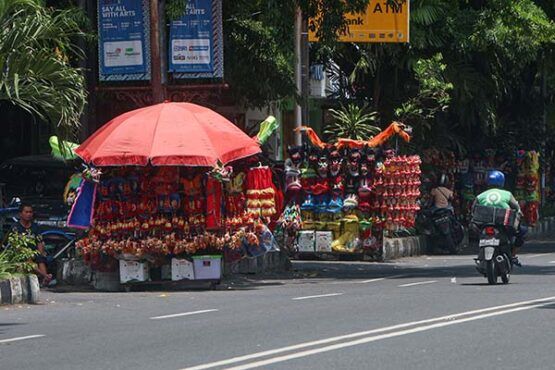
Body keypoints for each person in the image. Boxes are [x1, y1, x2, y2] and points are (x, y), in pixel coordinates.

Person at [474, 170, 526, 266]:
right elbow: (516, 208)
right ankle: (513, 255)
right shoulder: (507, 194)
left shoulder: (480, 196)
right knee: (522, 231)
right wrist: (519, 213)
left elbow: (473, 210)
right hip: (503, 223)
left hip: (484, 223)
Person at [9, 203, 53, 286]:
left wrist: (40, 253)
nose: (29, 214)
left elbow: (39, 241)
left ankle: (44, 279)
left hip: (34, 252)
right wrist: (26, 253)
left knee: (40, 258)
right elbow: (15, 244)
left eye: (30, 212)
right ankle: (45, 276)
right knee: (28, 259)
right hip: (21, 253)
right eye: (26, 212)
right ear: (20, 214)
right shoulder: (15, 227)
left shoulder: (35, 227)